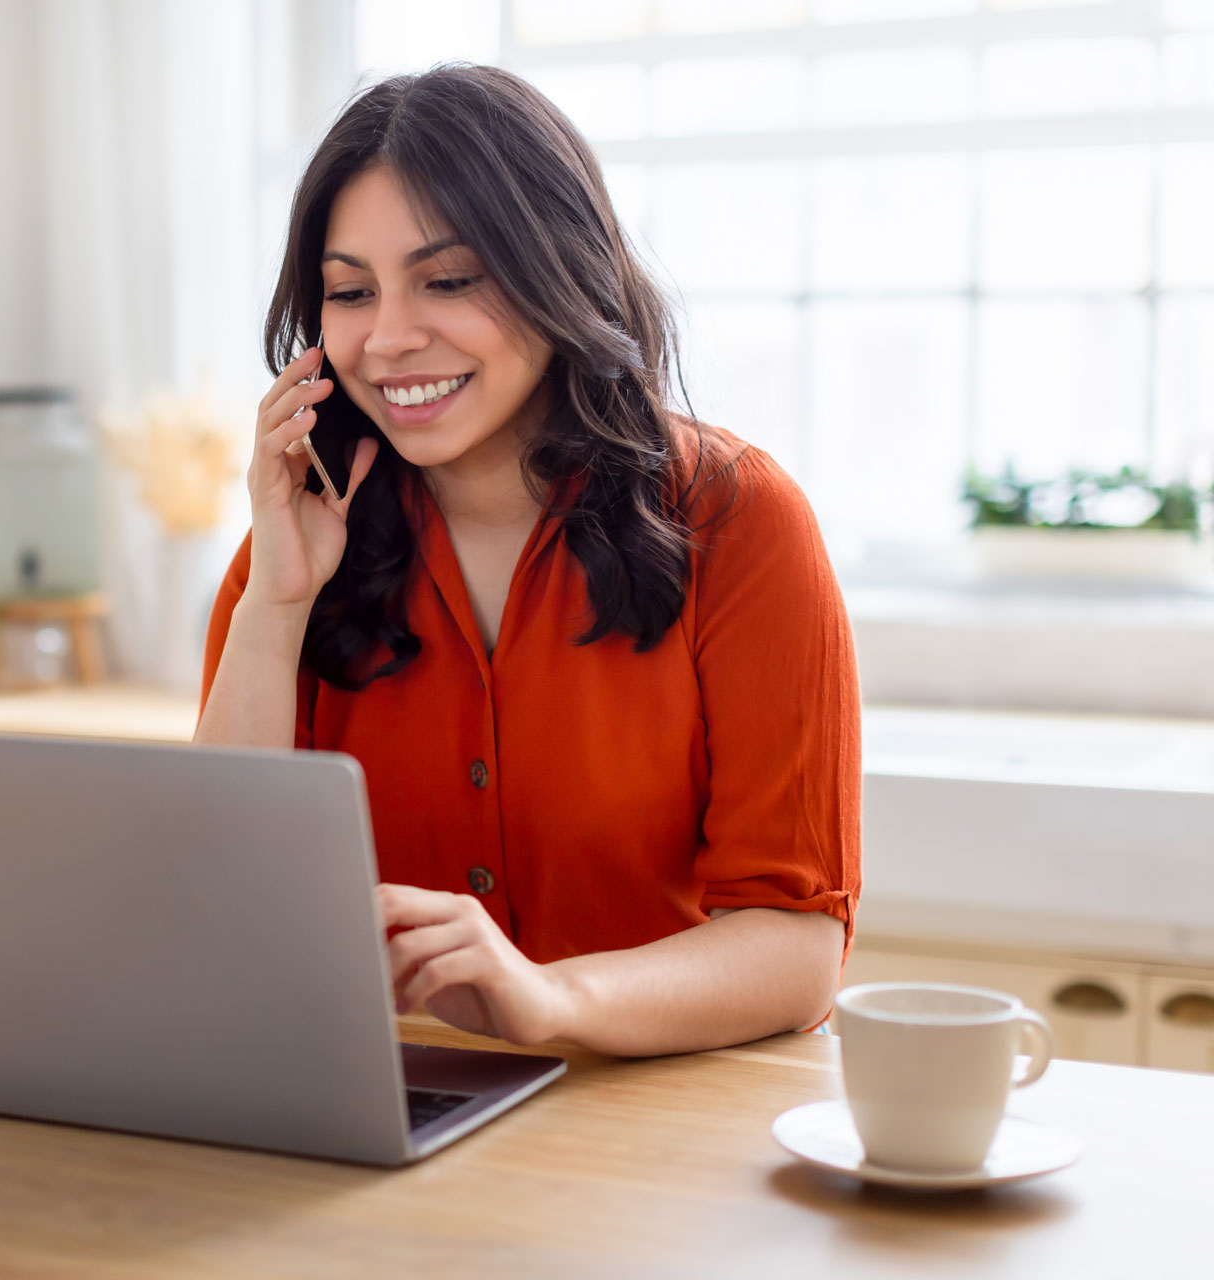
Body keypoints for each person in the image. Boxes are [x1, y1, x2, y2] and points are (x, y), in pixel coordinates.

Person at [194, 64, 860, 1059]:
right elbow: (218, 908)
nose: (389, 338)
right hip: (381, 1107)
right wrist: (278, 606)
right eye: (348, 291)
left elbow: (795, 948)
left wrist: (547, 997)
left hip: (658, 1127)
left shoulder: (738, 517)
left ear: (560, 269)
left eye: (449, 279)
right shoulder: (292, 544)